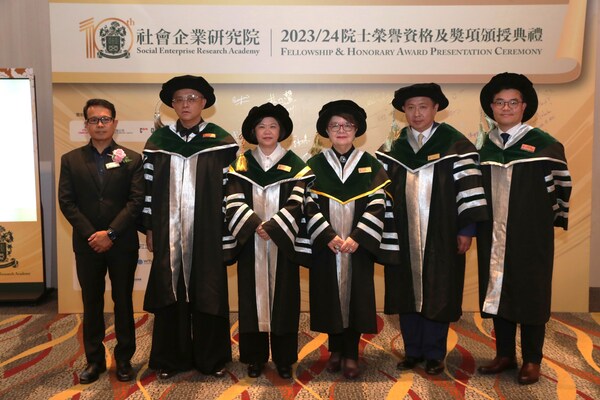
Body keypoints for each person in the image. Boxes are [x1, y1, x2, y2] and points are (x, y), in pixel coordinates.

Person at [376, 83, 488, 375]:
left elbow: (470, 188)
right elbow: (380, 194)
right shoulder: (392, 149)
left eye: (423, 106)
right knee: (405, 290)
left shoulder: (455, 145)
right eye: (410, 107)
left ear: (436, 108)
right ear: (404, 111)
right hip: (402, 234)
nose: (416, 113)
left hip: (443, 232)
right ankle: (412, 351)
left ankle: (435, 353)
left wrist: (467, 229)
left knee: (440, 290)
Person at [476, 72, 571, 385]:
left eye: (512, 102)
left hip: (531, 234)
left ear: (524, 106)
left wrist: (543, 223)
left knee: (531, 292)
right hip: (493, 233)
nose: (505, 108)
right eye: (500, 102)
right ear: (491, 107)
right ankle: (505, 354)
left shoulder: (544, 144)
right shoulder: (485, 147)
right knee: (498, 289)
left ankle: (532, 359)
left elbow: (560, 188)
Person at [142, 75, 238, 379]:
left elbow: (230, 190)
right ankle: (171, 359)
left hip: (208, 234)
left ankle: (212, 359)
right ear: (172, 104)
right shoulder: (158, 143)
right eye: (180, 99)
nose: (186, 104)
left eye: (192, 98)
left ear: (204, 103)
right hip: (167, 231)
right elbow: (147, 188)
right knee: (170, 291)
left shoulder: (221, 142)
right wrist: (149, 228)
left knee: (208, 291)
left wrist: (226, 230)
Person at [303, 100, 396, 380]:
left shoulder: (370, 164)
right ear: (326, 131)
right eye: (335, 125)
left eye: (347, 125)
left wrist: (358, 237)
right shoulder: (314, 165)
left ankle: (352, 353)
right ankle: (335, 351)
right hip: (327, 246)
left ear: (357, 130)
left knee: (357, 297)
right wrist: (328, 235)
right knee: (329, 296)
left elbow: (379, 203)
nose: (341, 130)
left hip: (359, 248)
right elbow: (306, 203)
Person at [224, 103, 314, 379]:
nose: (267, 131)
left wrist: (273, 226)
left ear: (281, 131)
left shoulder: (296, 166)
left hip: (283, 243)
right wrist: (254, 224)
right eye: (261, 126)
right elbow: (232, 198)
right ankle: (255, 357)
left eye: (273, 126)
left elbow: (300, 201)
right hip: (250, 242)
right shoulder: (241, 165)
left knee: (285, 299)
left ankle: (284, 358)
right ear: (253, 131)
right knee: (251, 297)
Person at [58, 98, 144, 384]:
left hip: (122, 244)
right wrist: (91, 234)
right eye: (93, 120)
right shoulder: (70, 160)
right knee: (91, 303)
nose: (99, 124)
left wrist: (111, 233)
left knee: (123, 302)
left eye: (105, 119)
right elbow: (67, 202)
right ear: (86, 125)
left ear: (115, 123)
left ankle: (124, 361)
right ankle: (93, 362)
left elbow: (135, 201)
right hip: (87, 245)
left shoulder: (130, 158)